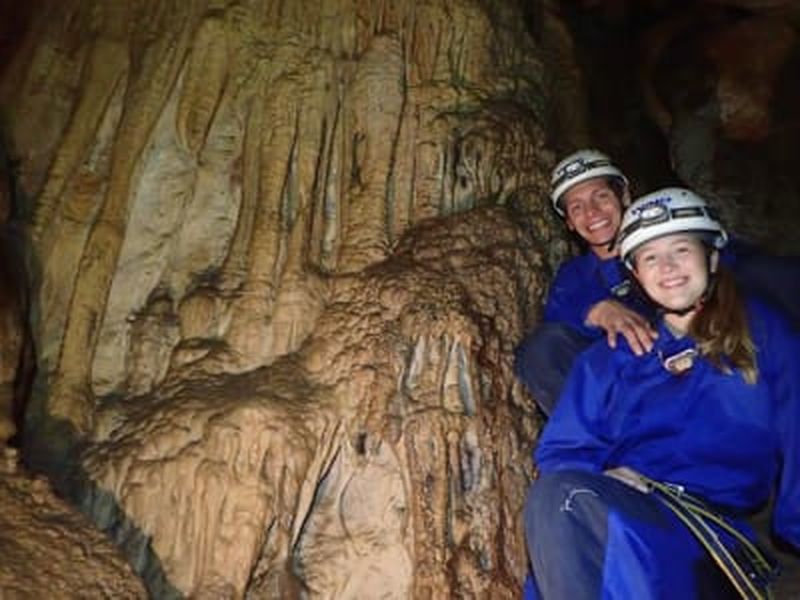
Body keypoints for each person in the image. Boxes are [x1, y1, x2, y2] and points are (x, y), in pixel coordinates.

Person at [523, 188, 800, 599]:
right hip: (635, 519)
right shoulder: (609, 359)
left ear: (712, 258)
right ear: (636, 275)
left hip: (712, 538)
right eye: (650, 257)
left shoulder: (763, 334)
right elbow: (562, 450)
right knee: (560, 496)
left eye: (681, 250)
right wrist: (603, 475)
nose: (667, 267)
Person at [514, 149, 800, 417]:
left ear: (624, 195)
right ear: (569, 223)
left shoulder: (677, 239)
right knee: (540, 349)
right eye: (577, 207)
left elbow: (747, 265)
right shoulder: (576, 276)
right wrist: (594, 311)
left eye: (601, 196)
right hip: (640, 394)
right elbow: (557, 323)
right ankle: (608, 442)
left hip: (711, 371)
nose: (592, 212)